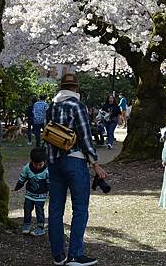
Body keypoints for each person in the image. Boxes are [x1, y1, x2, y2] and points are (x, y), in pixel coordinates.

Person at [46, 72, 108, 266]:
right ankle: (75, 254)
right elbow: (85, 136)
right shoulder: (77, 106)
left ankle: (58, 255)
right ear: (76, 88)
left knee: (55, 208)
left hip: (53, 162)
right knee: (80, 208)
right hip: (74, 160)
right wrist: (95, 163)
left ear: (61, 87)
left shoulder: (52, 107)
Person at [14, 147, 49, 236]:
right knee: (27, 208)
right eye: (35, 164)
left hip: (41, 197)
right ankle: (26, 224)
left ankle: (40, 227)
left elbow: (49, 183)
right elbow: (22, 178)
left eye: (40, 165)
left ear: (44, 161)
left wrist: (51, 192)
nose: (37, 166)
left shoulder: (47, 170)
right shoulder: (27, 168)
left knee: (39, 211)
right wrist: (17, 187)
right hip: (29, 195)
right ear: (31, 161)